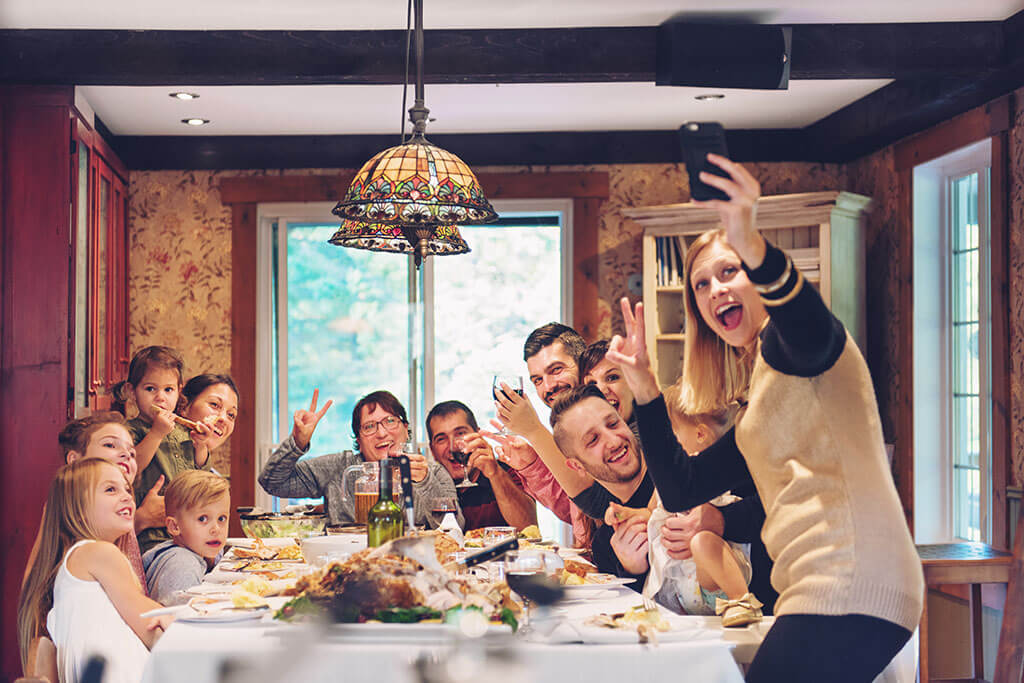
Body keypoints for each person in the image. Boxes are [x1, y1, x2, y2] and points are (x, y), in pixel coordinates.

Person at [606, 153, 923, 681]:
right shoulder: (760, 401)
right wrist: (644, 387)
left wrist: (750, 240)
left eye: (729, 272)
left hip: (852, 581)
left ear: (756, 278)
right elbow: (684, 487)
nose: (715, 292)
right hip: (819, 587)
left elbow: (804, 316)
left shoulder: (796, 345)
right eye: (701, 286)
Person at [18, 459, 172, 683]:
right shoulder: (98, 553)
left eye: (127, 489)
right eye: (111, 489)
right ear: (76, 509)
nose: (127, 496)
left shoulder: (74, 562)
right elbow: (150, 621)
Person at [639, 395, 761, 627]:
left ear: (700, 435)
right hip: (683, 587)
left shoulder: (707, 472)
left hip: (714, 579)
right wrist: (627, 515)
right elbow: (652, 510)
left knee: (702, 542)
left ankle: (740, 601)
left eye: (673, 435)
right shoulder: (669, 480)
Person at [259, 389, 462, 528]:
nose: (381, 433)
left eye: (390, 421)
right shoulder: (339, 467)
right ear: (358, 438)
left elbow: (454, 528)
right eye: (369, 426)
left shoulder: (433, 473)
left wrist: (425, 484)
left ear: (406, 429)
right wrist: (298, 442)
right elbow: (272, 482)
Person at [24, 413, 149, 595]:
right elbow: (36, 576)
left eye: (132, 453)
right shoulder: (67, 502)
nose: (126, 455)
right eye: (109, 445)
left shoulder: (125, 502)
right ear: (75, 460)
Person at [548, 385, 654, 586]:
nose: (613, 441)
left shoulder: (678, 473)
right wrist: (632, 571)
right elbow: (629, 615)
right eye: (593, 440)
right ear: (577, 466)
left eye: (613, 424)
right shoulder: (606, 543)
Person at [131, 372, 239, 552]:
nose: (223, 418)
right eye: (214, 405)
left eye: (231, 415)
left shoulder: (210, 475)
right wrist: (142, 519)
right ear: (184, 407)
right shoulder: (144, 442)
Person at [426, 400, 537, 531]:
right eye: (441, 439)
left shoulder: (507, 470)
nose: (453, 447)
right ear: (432, 450)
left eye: (460, 433)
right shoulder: (427, 487)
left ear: (478, 436)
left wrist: (495, 475)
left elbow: (528, 527)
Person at [143, 470, 229, 605]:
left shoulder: (190, 549)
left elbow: (217, 555)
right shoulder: (183, 566)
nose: (216, 529)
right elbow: (186, 617)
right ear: (174, 527)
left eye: (221, 518)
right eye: (202, 519)